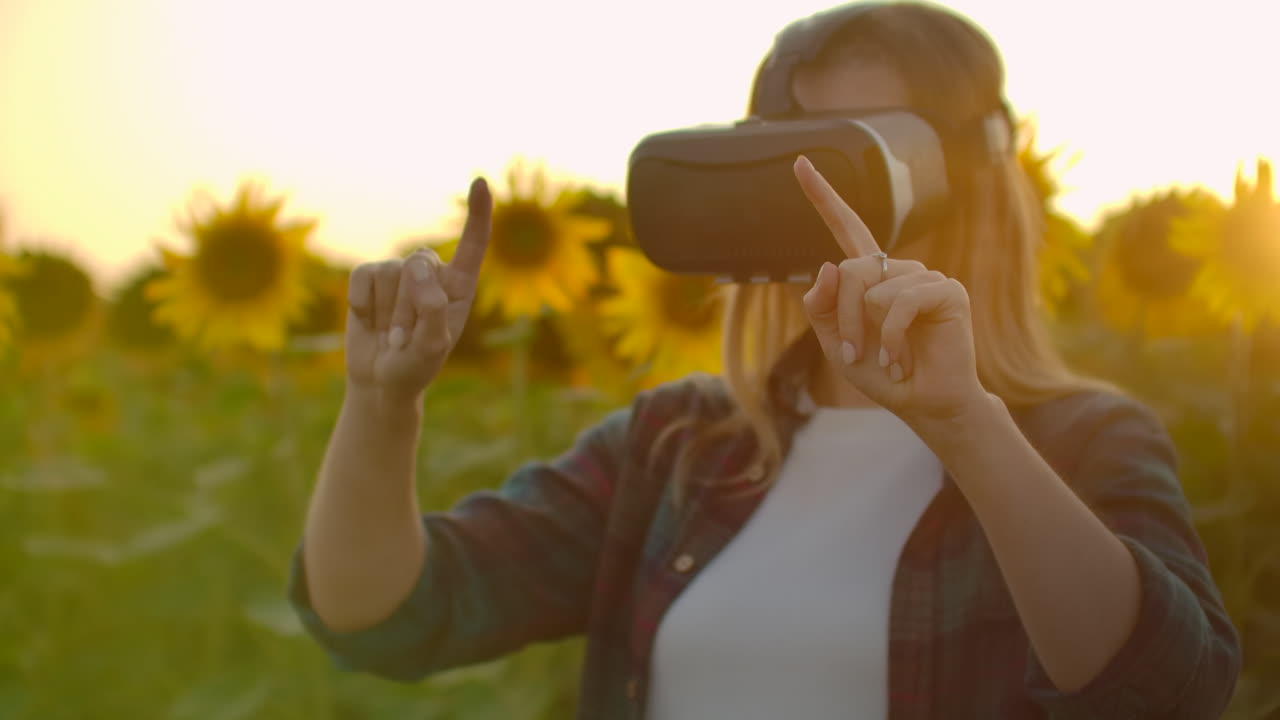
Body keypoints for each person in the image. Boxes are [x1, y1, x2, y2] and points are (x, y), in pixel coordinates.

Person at [286, 2, 1241, 718]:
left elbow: (1167, 690)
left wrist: (966, 424)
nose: (833, 196)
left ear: (973, 184)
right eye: (799, 157)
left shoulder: (1083, 442)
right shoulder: (679, 444)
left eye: (867, 156)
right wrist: (382, 405)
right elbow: (386, 617)